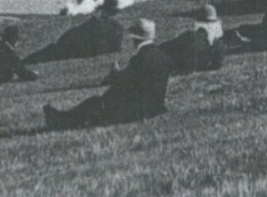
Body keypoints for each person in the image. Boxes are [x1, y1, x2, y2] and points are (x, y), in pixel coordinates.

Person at [43, 18, 173, 128]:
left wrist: (115, 74)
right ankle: (61, 118)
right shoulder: (162, 56)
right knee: (95, 104)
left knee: (93, 105)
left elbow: (124, 84)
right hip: (155, 107)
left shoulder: (140, 59)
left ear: (135, 38)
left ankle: (59, 120)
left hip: (137, 110)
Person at [162, 4, 227, 73]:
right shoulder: (218, 44)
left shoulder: (189, 36)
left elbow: (169, 46)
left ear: (198, 21)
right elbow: (218, 65)